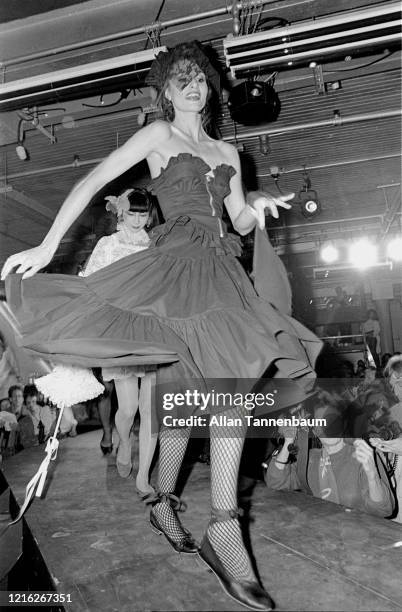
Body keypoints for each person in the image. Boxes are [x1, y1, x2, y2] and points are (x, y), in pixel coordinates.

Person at [1, 41, 322, 610]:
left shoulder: (229, 150)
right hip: (172, 273)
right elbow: (92, 180)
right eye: (181, 79)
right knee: (198, 401)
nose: (193, 86)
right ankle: (201, 518)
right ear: (165, 90)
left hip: (222, 275)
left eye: (200, 78)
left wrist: (259, 206)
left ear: (212, 88)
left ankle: (176, 508)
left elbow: (238, 217)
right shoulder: (157, 137)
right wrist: (50, 244)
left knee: (199, 398)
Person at [79, 188, 158, 495]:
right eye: (132, 212)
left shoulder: (156, 245)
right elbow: (90, 281)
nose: (138, 219)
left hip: (151, 330)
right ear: (121, 212)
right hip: (121, 332)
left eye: (142, 213)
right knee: (128, 408)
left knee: (151, 409)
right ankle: (124, 440)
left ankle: (143, 477)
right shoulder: (108, 244)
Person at [264, 393, 394, 518]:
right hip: (323, 534)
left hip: (360, 535)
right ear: (314, 431)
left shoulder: (363, 456)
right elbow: (275, 483)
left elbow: (383, 509)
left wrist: (372, 475)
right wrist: (288, 442)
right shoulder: (309, 460)